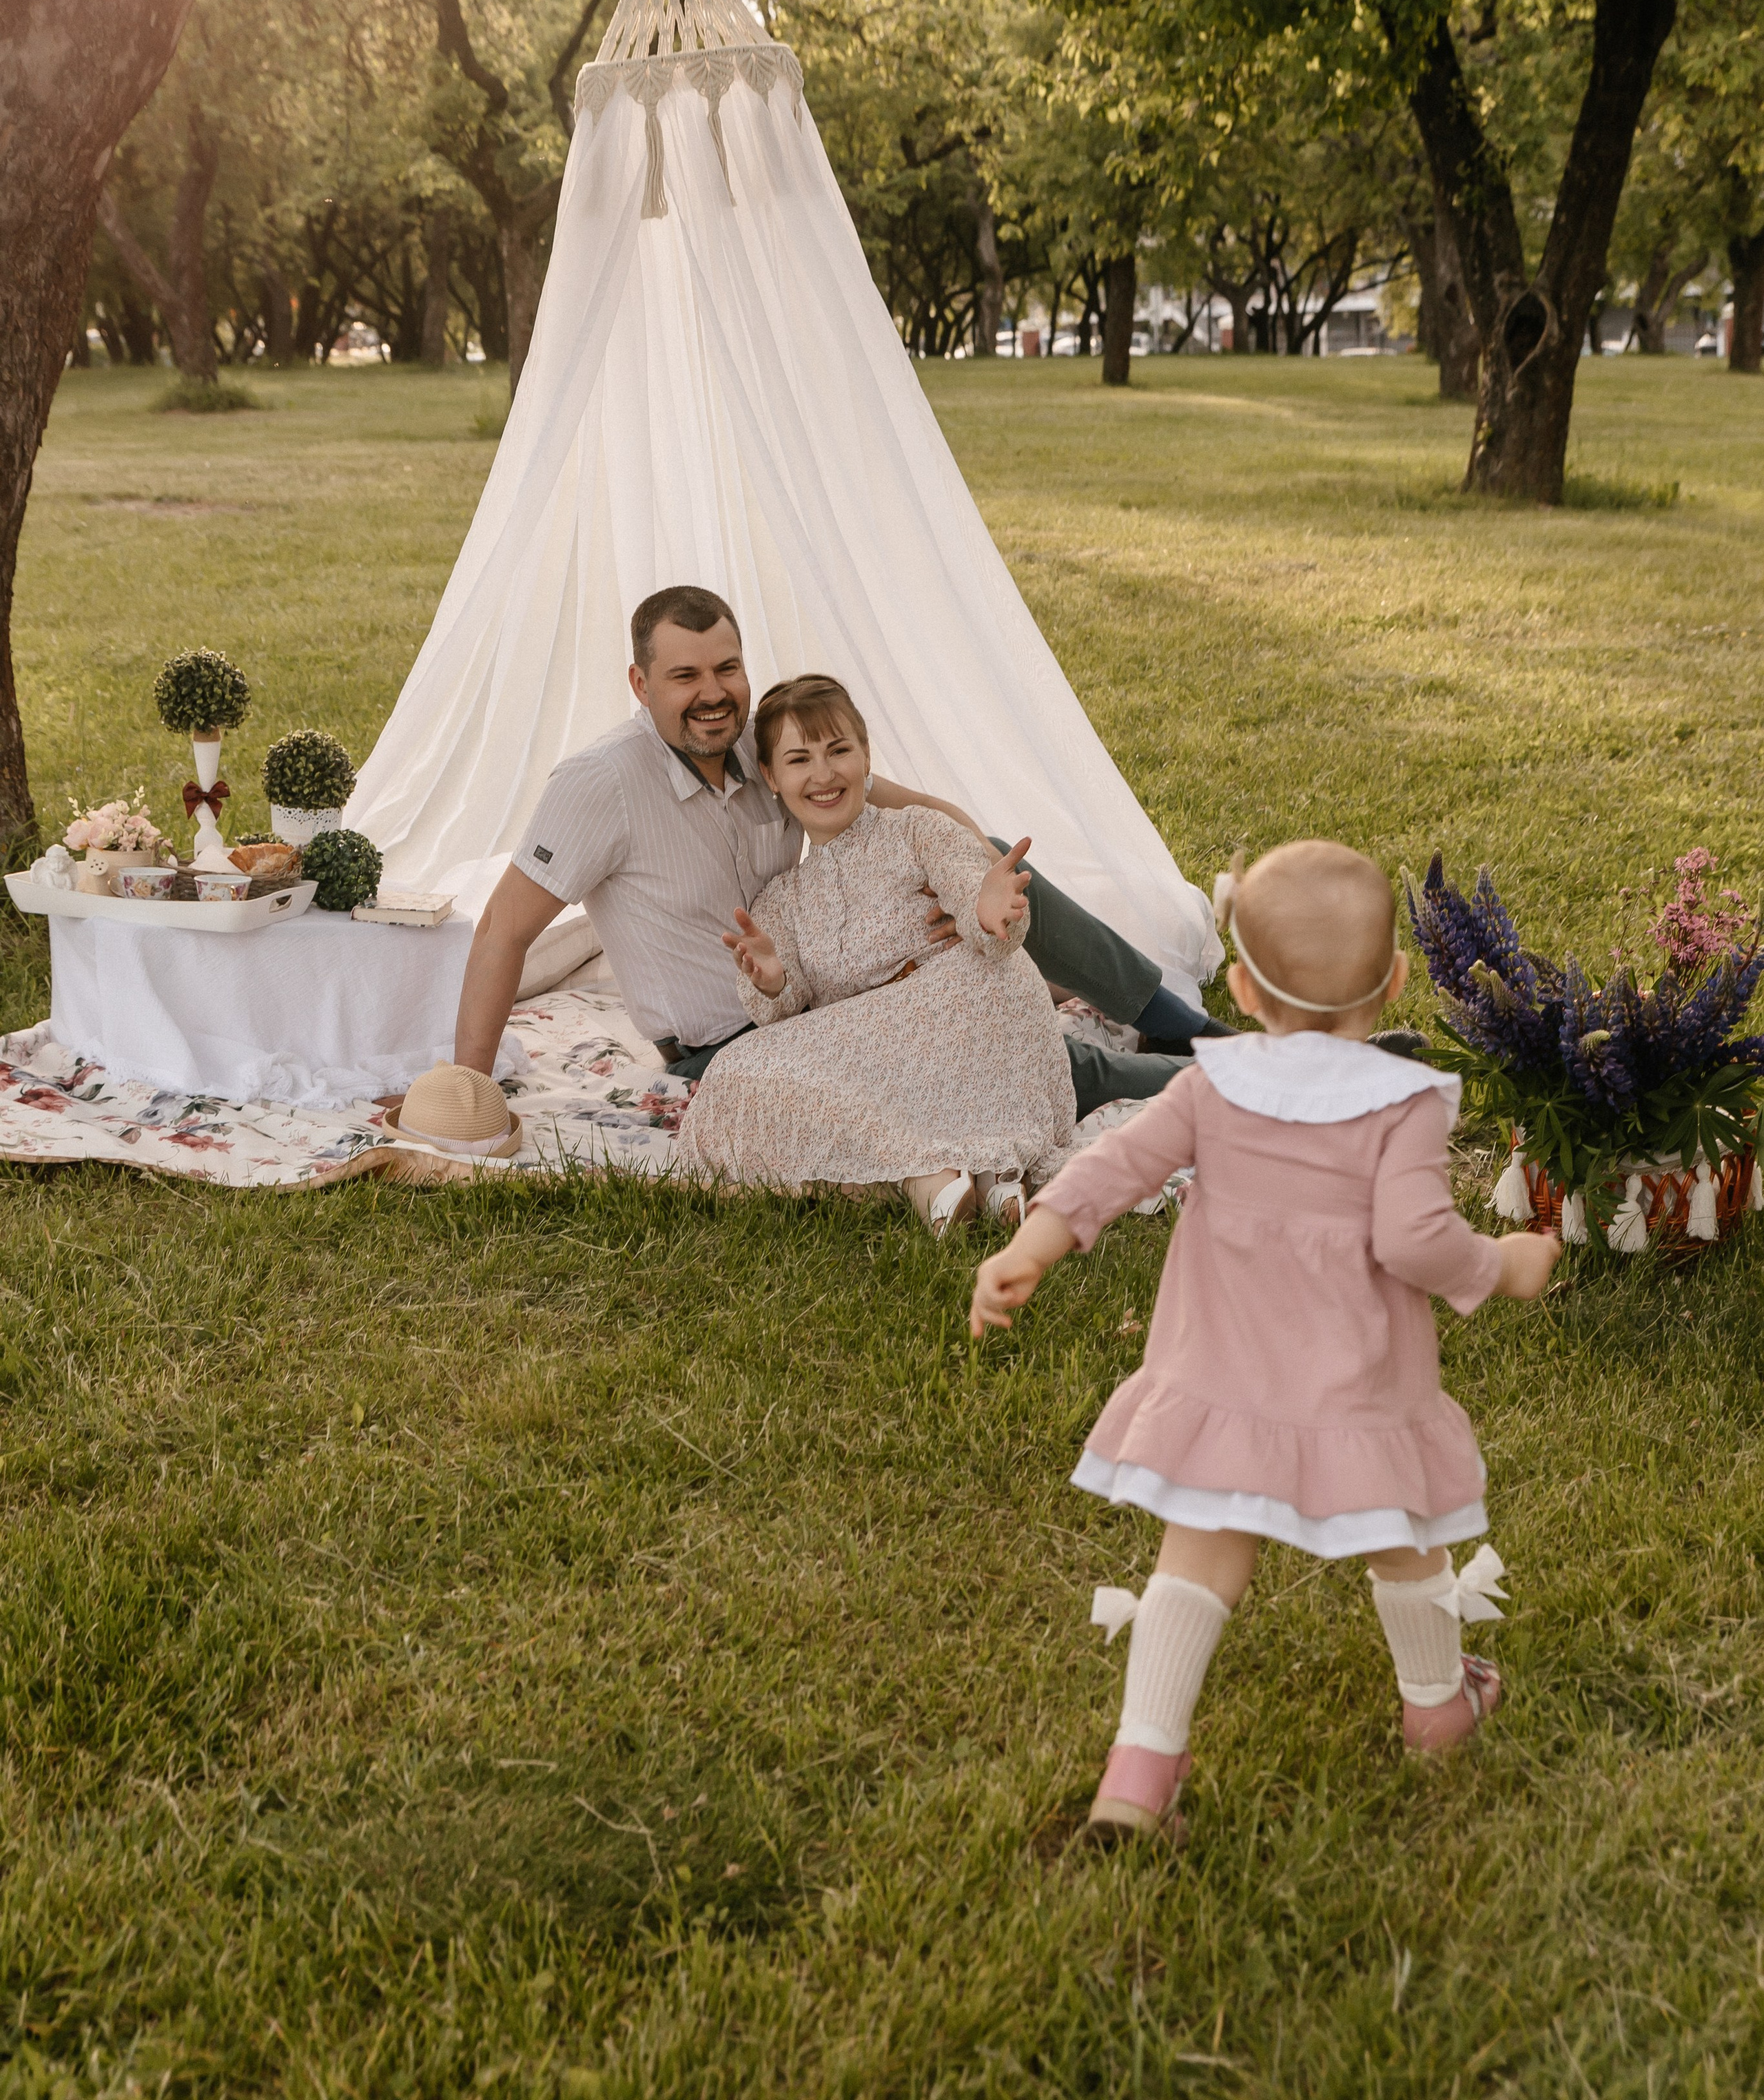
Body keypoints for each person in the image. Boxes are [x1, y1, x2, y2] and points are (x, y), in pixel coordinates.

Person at [969, 838, 1561, 1844]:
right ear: (1399, 983)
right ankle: (1434, 1705)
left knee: (1195, 1561)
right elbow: (1413, 1238)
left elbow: (1119, 1164)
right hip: (1358, 1392)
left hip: (1221, 1383)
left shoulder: (1210, 1086)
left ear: (1239, 985)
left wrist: (1037, 1239)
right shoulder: (1405, 1105)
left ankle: (1141, 1768)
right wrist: (1503, 1264)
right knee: (1404, 1541)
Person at [453, 584, 1220, 1119]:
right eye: (684, 676)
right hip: (729, 1046)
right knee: (998, 1058)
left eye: (727, 668)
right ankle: (1220, 1081)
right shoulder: (600, 784)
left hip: (831, 990)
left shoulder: (764, 748)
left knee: (986, 859)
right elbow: (503, 932)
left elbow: (926, 814)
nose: (712, 691)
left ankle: (1172, 1021)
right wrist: (465, 1087)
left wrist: (965, 889)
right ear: (639, 682)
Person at [677, 675, 1075, 1231]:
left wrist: (988, 910)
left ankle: (972, 1171)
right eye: (799, 760)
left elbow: (976, 899)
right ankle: (944, 1178)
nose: (823, 774)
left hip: (964, 1011)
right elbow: (783, 1010)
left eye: (839, 750)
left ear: (866, 757)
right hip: (874, 1059)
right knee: (735, 1071)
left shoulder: (918, 831)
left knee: (989, 979)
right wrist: (771, 982)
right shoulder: (781, 900)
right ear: (771, 776)